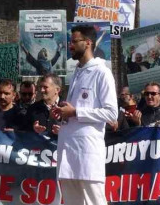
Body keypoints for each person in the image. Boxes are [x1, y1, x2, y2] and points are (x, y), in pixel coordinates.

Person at [51, 24, 117, 205]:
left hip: (87, 154)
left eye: (74, 41)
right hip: (68, 152)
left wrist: (76, 111)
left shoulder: (102, 72)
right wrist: (63, 112)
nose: (70, 45)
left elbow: (112, 112)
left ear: (88, 43)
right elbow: (75, 109)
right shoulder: (76, 73)